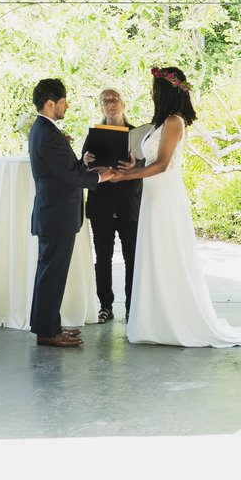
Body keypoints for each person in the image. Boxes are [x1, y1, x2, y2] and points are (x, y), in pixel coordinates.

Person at [106, 66, 241, 349]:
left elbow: (163, 165)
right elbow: (150, 161)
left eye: (155, 88)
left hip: (166, 197)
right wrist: (134, 166)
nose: (152, 92)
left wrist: (126, 176)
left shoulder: (174, 121)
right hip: (152, 197)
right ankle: (154, 320)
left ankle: (175, 321)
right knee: (153, 256)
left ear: (166, 92)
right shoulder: (160, 123)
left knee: (168, 255)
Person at [29, 77, 107, 347]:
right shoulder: (47, 133)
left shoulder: (44, 129)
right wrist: (101, 178)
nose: (67, 106)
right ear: (51, 103)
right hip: (57, 214)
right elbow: (67, 177)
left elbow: (63, 169)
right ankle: (48, 333)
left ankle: (48, 324)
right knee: (52, 274)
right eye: (63, 101)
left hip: (55, 213)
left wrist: (81, 164)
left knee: (50, 273)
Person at [81, 88, 144, 323]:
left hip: (129, 203)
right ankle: (105, 306)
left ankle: (131, 307)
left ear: (123, 103)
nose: (110, 104)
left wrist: (135, 165)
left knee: (132, 259)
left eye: (114, 99)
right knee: (103, 258)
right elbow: (83, 167)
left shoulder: (136, 134)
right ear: (101, 107)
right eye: (105, 101)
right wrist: (85, 159)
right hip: (102, 205)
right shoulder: (95, 134)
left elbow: (146, 166)